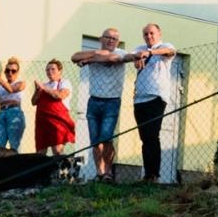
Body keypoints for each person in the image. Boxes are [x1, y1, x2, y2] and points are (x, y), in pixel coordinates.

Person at [70, 28, 129, 182]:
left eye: (114, 38)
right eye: (108, 37)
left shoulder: (121, 53)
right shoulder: (94, 53)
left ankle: (108, 172)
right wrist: (96, 55)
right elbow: (74, 57)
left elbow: (115, 59)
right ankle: (100, 172)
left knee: (107, 138)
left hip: (112, 101)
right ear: (101, 39)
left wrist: (92, 59)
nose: (111, 40)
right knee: (95, 140)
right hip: (94, 100)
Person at [131, 22, 177, 182]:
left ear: (159, 33)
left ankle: (154, 174)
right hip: (139, 98)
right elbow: (132, 56)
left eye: (151, 33)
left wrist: (149, 52)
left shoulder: (164, 46)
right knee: (145, 138)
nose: (149, 36)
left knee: (152, 135)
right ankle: (147, 174)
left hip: (156, 97)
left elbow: (170, 51)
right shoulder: (139, 48)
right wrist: (138, 56)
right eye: (146, 34)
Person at [32, 60, 77, 157]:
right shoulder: (45, 85)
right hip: (42, 123)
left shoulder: (65, 83)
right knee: (40, 153)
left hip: (57, 122)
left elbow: (60, 95)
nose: (50, 71)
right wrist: (37, 91)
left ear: (60, 71)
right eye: (47, 70)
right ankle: (42, 172)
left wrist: (44, 88)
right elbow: (33, 102)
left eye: (53, 69)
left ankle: (61, 170)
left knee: (57, 151)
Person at [0, 58, 27, 151]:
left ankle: (17, 165)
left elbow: (11, 89)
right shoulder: (0, 86)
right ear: (4, 72)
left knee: (14, 146)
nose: (10, 73)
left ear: (17, 72)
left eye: (13, 71)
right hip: (2, 113)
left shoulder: (21, 83)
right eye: (7, 71)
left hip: (15, 113)